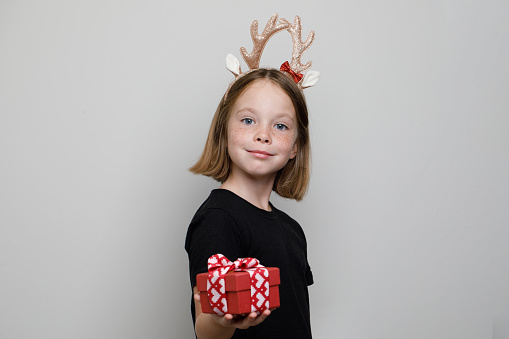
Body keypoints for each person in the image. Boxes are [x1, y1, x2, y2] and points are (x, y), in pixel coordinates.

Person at [184, 14, 319, 339]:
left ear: (295, 148)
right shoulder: (218, 220)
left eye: (280, 125)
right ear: (224, 130)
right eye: (248, 121)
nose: (263, 135)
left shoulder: (292, 230)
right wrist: (221, 320)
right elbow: (206, 327)